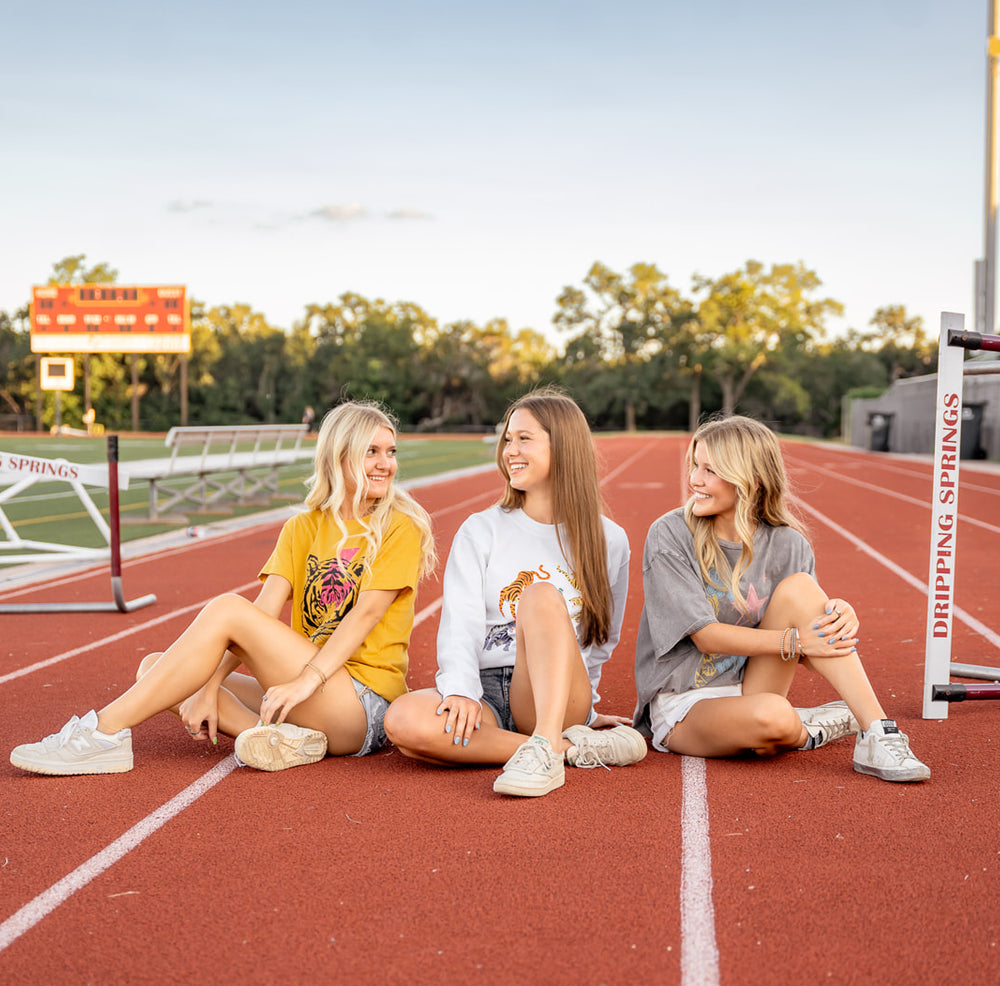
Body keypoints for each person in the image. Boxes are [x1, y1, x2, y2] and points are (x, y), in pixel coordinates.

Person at [10, 401, 436, 776]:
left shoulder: (399, 525)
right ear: (339, 456)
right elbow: (264, 611)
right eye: (372, 452)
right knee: (155, 668)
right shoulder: (302, 527)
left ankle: (102, 733)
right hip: (311, 693)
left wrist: (304, 683)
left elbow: (365, 615)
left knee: (226, 611)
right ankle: (280, 741)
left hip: (362, 703)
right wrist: (208, 687)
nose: (386, 464)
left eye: (390, 452)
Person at [632, 414, 930, 782]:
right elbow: (705, 636)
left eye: (709, 470)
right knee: (774, 718)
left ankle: (877, 731)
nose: (694, 479)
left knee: (802, 588)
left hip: (756, 683)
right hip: (685, 702)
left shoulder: (789, 544)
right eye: (695, 465)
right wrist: (797, 639)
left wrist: (836, 617)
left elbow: (807, 651)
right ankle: (813, 728)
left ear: (751, 480)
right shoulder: (670, 534)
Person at [384, 388, 646, 798]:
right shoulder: (481, 529)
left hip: (552, 693)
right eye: (508, 439)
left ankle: (547, 739)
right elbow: (461, 624)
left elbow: (601, 639)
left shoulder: (608, 540)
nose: (510, 450)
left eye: (525, 438)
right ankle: (564, 748)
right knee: (404, 722)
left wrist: (585, 706)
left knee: (540, 596)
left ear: (564, 446)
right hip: (487, 692)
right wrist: (460, 692)